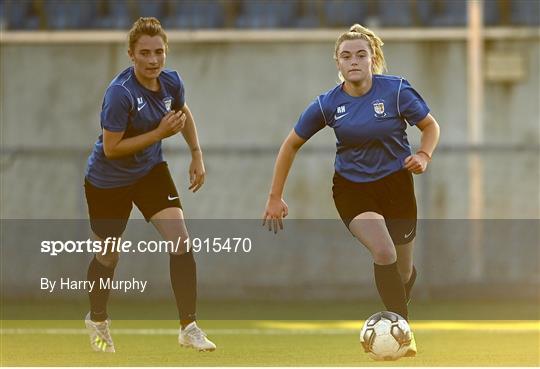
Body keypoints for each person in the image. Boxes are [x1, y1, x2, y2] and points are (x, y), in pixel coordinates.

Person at [262, 24, 440, 356]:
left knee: (402, 270)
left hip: (397, 184)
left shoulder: (397, 91)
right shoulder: (328, 104)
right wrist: (275, 196)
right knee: (384, 252)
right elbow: (290, 145)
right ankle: (403, 331)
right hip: (353, 189)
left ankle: (400, 303)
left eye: (361, 54)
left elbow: (430, 126)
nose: (353, 61)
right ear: (338, 64)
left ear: (373, 59)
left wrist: (423, 155)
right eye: (346, 56)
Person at [83, 17, 215, 352]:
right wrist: (158, 133)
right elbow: (112, 149)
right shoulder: (119, 93)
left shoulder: (171, 82)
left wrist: (196, 153)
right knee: (109, 254)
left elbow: (182, 112)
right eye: (145, 53)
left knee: (181, 239)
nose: (153, 59)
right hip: (107, 180)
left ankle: (189, 326)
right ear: (131, 55)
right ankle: (97, 318)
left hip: (149, 171)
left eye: (159, 52)